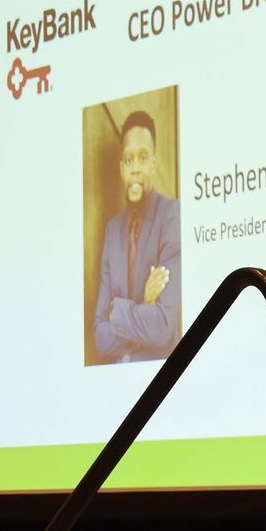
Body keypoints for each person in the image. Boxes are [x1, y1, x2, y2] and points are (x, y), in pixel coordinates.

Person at [91, 110, 183, 363]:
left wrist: (117, 311)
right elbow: (99, 337)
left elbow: (163, 327)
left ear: (153, 163)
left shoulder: (171, 215)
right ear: (121, 167)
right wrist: (144, 302)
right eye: (128, 160)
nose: (135, 169)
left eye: (142, 158)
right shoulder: (112, 231)